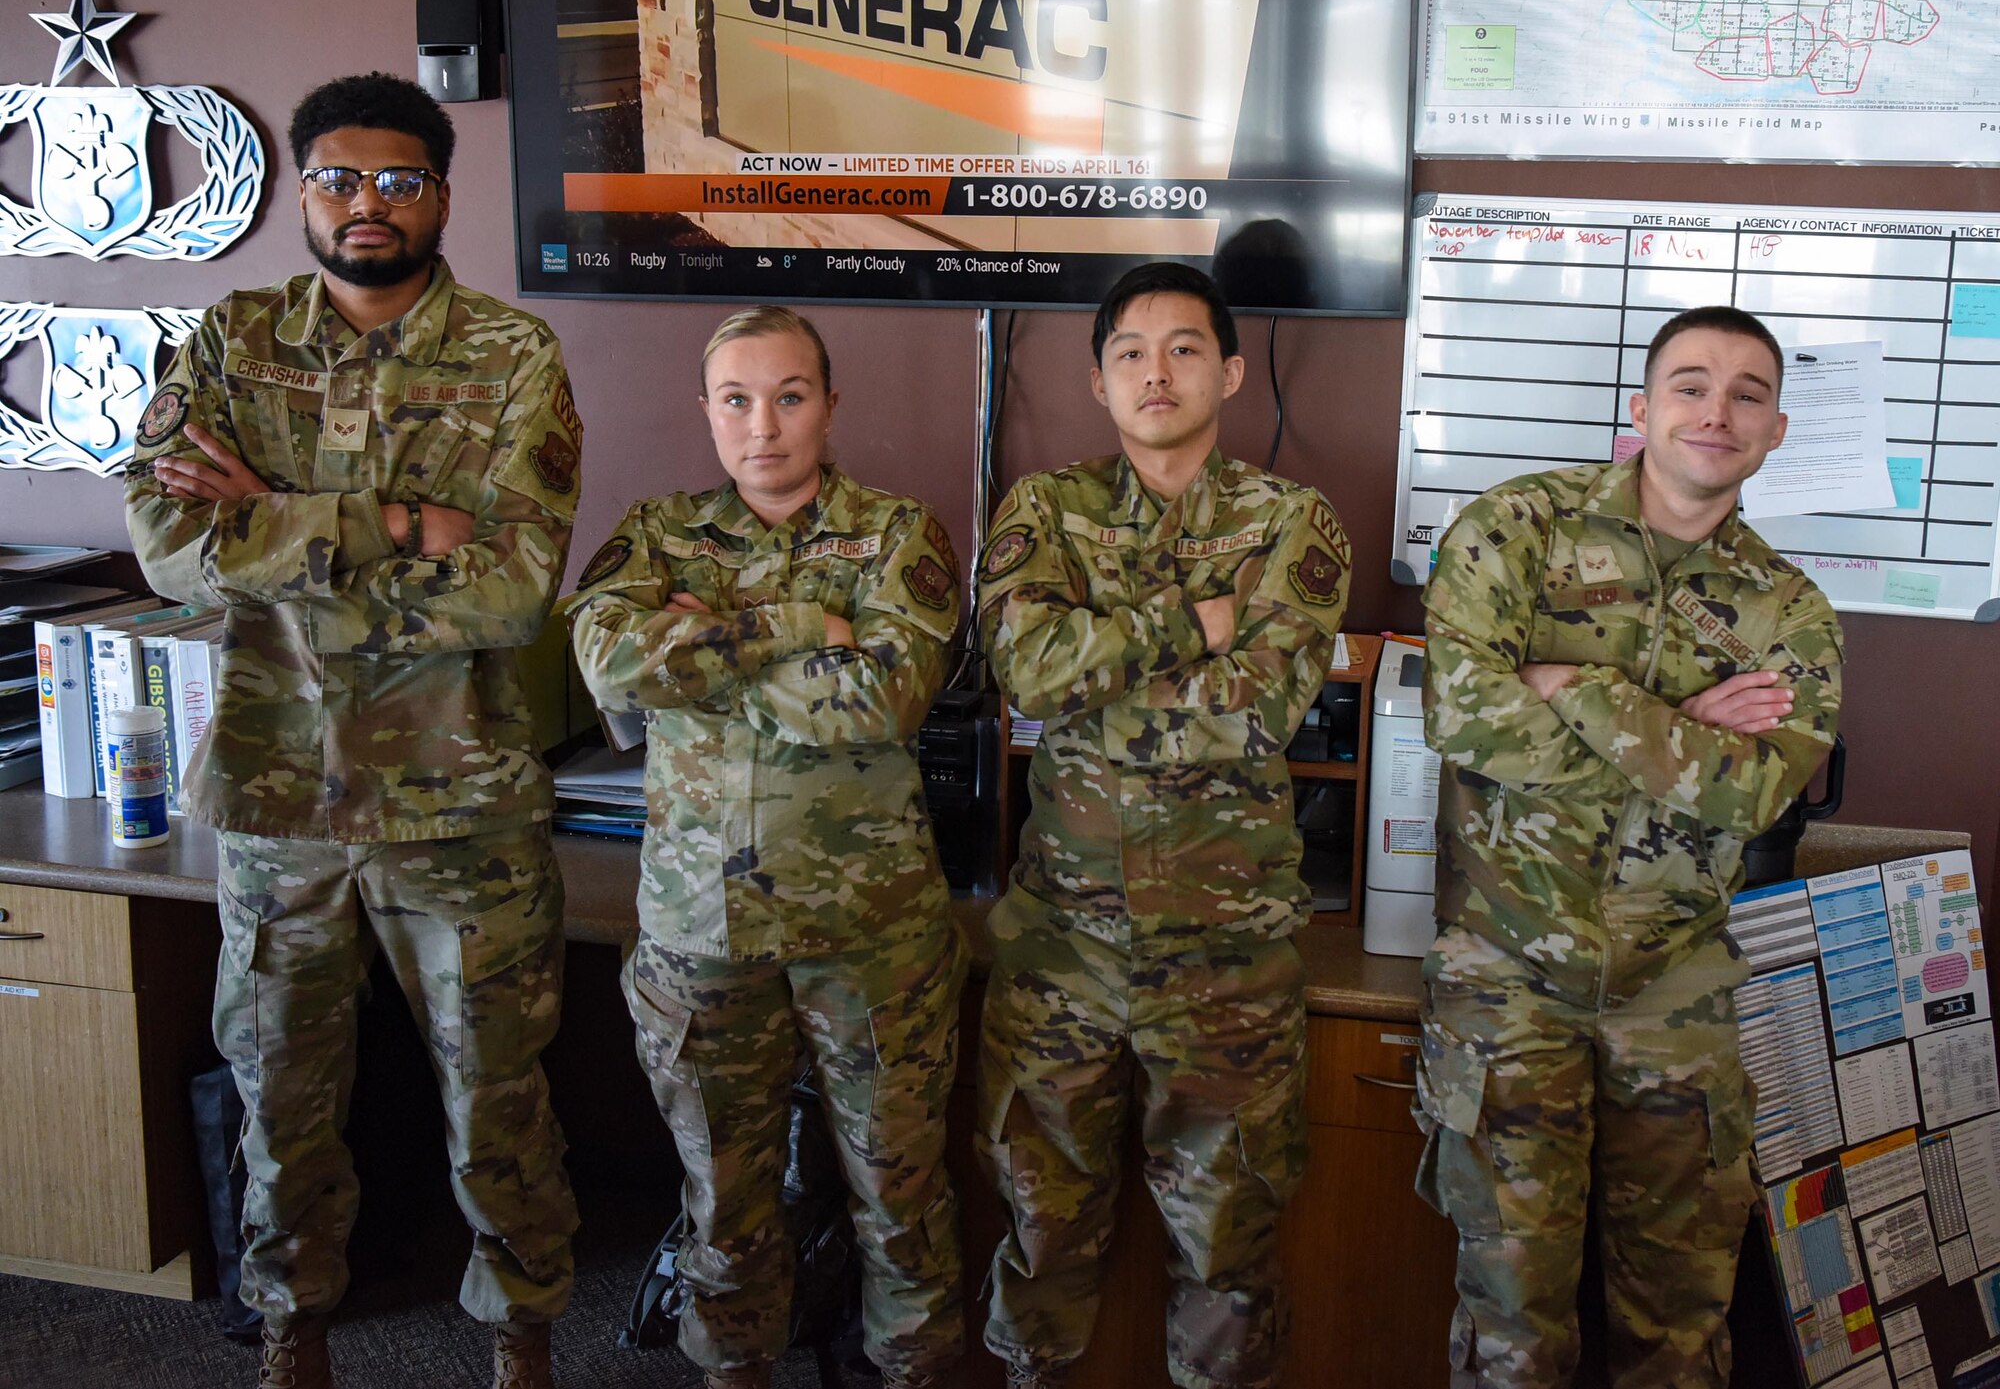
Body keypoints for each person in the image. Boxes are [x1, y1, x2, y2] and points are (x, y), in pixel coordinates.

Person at [126, 72, 582, 1389]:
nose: (364, 204)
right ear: (298, 187)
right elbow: (168, 549)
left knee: (500, 1096)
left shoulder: (509, 359)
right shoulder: (226, 344)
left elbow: (507, 591)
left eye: (396, 180)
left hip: (464, 805)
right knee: (280, 1100)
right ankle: (290, 1331)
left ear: (442, 192)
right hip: (281, 795)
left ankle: (526, 1337)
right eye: (336, 177)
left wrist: (266, 514)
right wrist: (383, 524)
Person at [1417, 305, 1844, 1388]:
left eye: (1746, 393)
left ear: (1776, 428)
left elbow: (1748, 796)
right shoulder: (1515, 528)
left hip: (1675, 993)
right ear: (1639, 406)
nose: (1716, 409)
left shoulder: (1790, 611)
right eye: (1690, 383)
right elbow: (1462, 716)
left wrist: (1579, 687)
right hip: (1506, 976)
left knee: (1678, 1326)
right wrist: (1680, 721)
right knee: (1510, 1320)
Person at [568, 306, 966, 1389]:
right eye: (736, 399)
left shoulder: (897, 532)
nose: (763, 425)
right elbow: (610, 666)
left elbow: (882, 697)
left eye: (789, 396)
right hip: (703, 934)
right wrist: (806, 630)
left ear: (830, 406)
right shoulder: (657, 532)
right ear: (704, 411)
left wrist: (701, 640)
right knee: (724, 1206)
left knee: (902, 1205)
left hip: (870, 939)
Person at [976, 261, 1348, 1389]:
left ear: (1229, 371)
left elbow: (1263, 708)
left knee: (1227, 1241)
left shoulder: (1291, 519)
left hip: (1223, 957)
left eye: (1184, 348)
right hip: (1062, 949)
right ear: (1095, 380)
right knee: (1041, 1222)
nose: (1156, 371)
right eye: (1130, 351)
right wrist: (1194, 617)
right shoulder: (1043, 507)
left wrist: (1108, 669)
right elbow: (1028, 669)